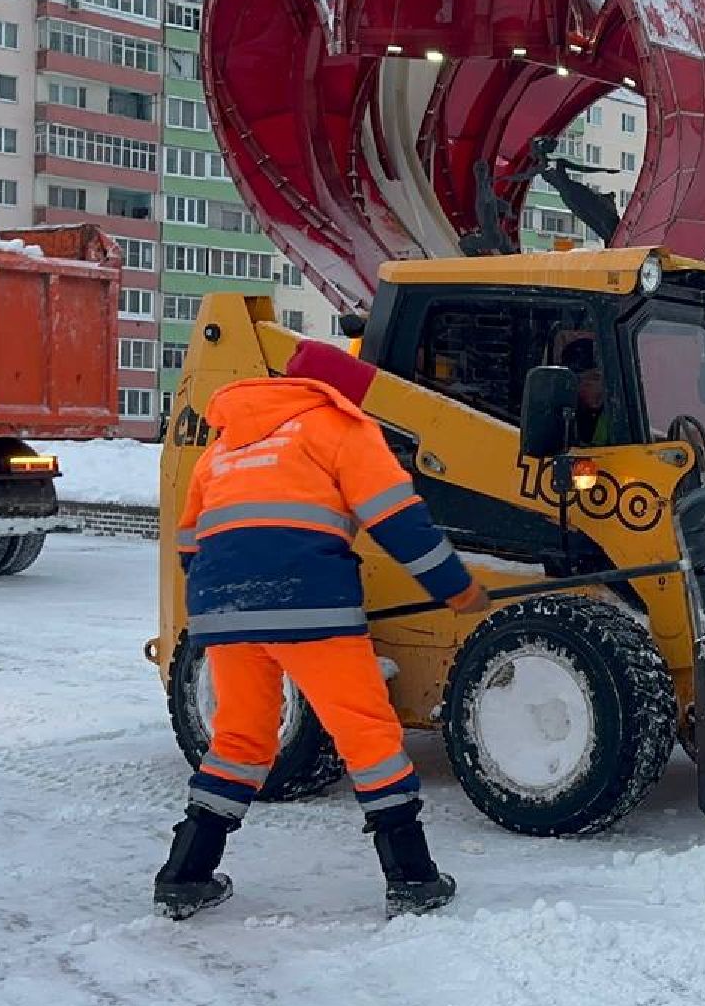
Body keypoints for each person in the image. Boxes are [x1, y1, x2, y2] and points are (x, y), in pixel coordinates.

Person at [156, 341, 492, 921]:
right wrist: (457, 589)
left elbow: (190, 542)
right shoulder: (341, 428)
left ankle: (185, 874)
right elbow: (398, 520)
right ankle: (413, 877)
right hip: (307, 604)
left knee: (239, 740)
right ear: (341, 392)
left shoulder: (226, 445)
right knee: (366, 733)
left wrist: (239, 600)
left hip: (222, 609)